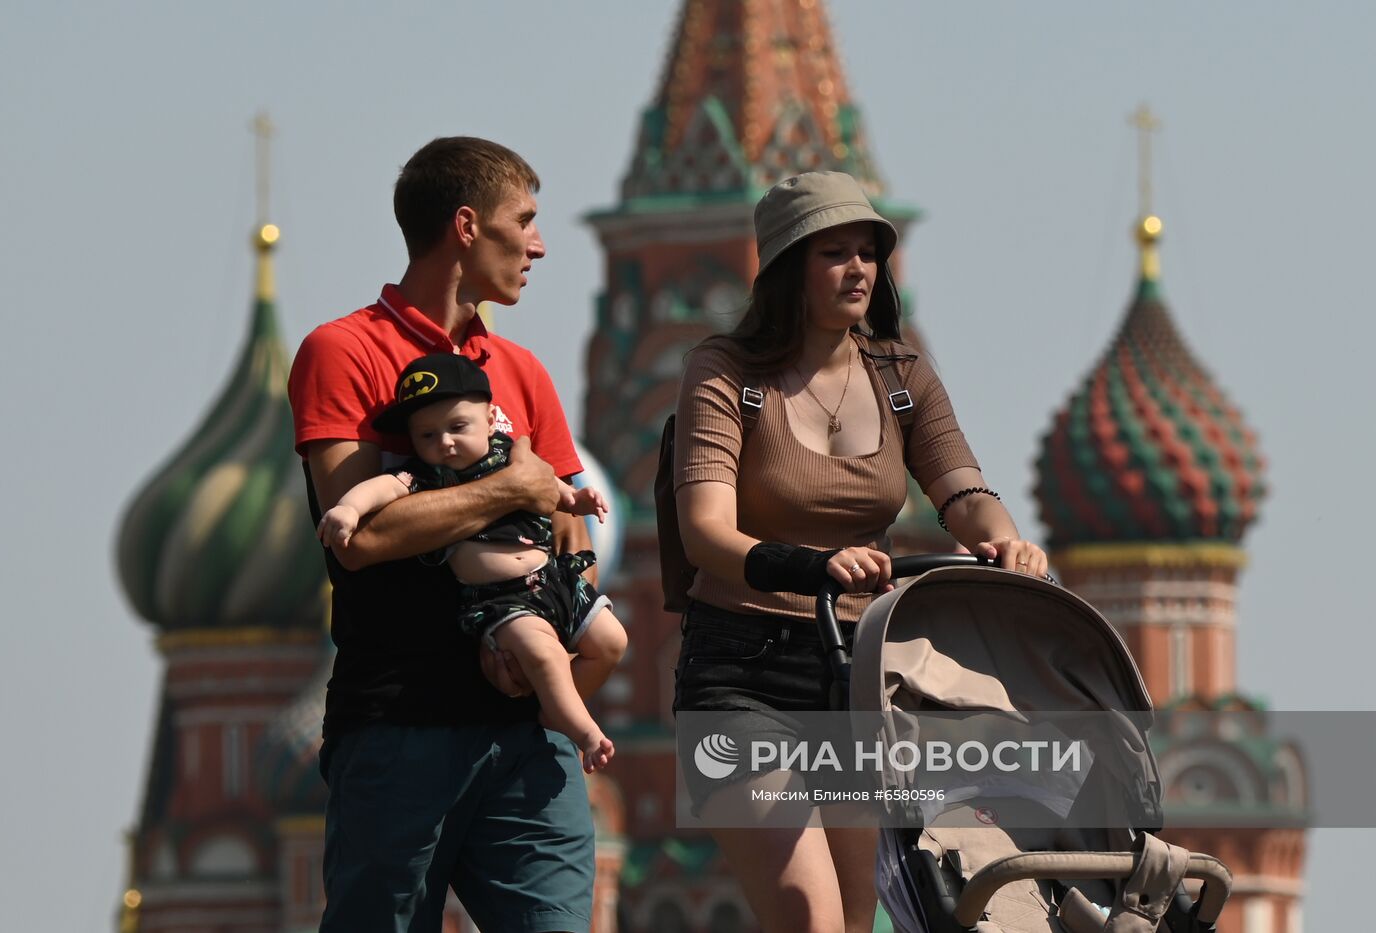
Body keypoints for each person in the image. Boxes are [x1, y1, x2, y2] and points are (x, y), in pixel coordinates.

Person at [671, 170, 1049, 933]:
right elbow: (704, 532)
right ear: (786, 268)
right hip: (742, 673)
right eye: (833, 253)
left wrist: (1002, 537)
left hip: (858, 673)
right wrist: (811, 563)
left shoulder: (900, 374)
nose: (859, 269)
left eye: (869, 251)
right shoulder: (726, 372)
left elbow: (962, 490)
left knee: (856, 918)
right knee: (807, 916)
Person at [288, 136, 599, 933]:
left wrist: (549, 657)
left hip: (526, 739)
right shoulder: (343, 350)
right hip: (398, 729)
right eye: (523, 220)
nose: (539, 243)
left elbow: (566, 532)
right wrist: (508, 486)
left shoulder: (522, 369)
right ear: (466, 225)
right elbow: (355, 533)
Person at [317, 351, 627, 772]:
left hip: (555, 583)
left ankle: (556, 708)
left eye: (457, 427)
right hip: (505, 602)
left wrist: (576, 499)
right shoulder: (430, 478)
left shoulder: (510, 455)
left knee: (612, 641)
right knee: (545, 653)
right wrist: (348, 510)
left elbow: (552, 488)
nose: (444, 442)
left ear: (491, 418)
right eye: (427, 436)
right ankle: (584, 731)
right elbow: (381, 488)